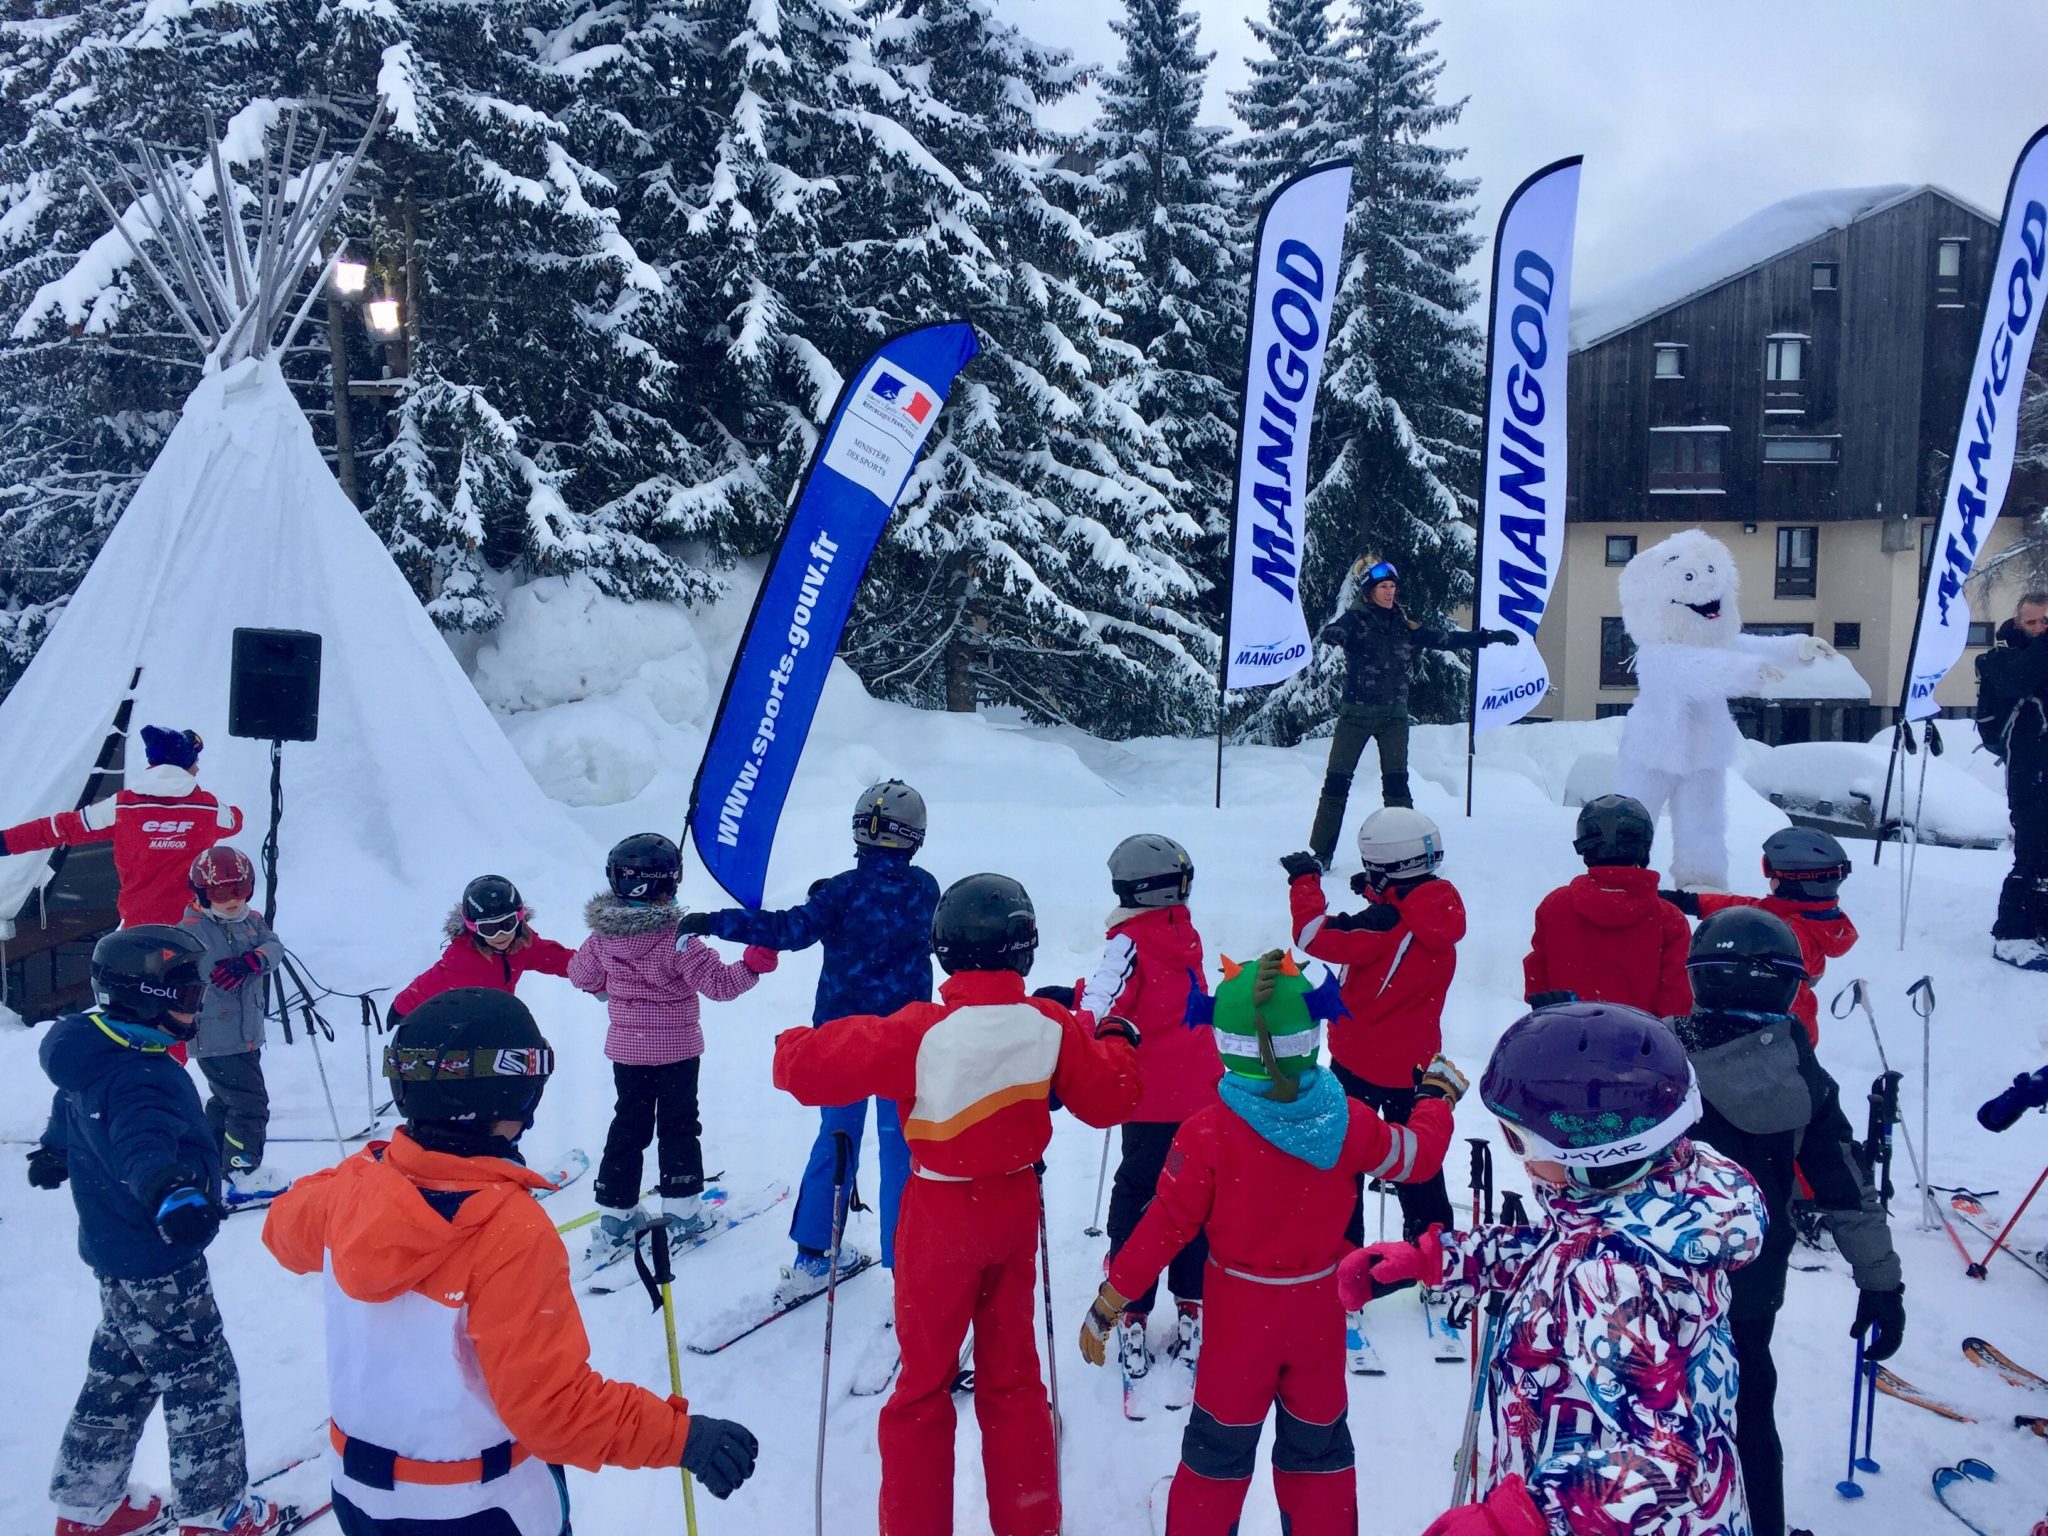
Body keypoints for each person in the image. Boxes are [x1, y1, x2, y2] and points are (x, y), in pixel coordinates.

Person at [263, 987, 759, 1534]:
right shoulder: (510, 1232)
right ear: (514, 1098)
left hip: (359, 1498)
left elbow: (283, 1231)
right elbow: (553, 1411)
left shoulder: (348, 1190)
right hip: (478, 1505)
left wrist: (375, 1168)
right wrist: (681, 1438)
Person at [770, 873, 1141, 1536]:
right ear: (1025, 950)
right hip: (1012, 1207)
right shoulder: (1048, 1025)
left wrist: (795, 1038)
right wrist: (1117, 1039)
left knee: (922, 1389)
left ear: (942, 950)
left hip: (939, 1215)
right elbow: (1112, 1097)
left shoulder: (920, 1031)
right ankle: (1029, 1523)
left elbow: (801, 1071)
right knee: (1014, 1381)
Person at [1342, 1001, 1765, 1536]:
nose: (1514, 1154)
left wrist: (1520, 1519)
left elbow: (1678, 1465)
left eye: (1518, 1139)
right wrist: (1442, 1258)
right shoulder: (1659, 1197)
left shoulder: (1612, 1278)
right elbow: (1561, 1251)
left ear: (1590, 1154)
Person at [1080, 947, 1465, 1535]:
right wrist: (1434, 1098)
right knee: (1319, 1456)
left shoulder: (1207, 1134)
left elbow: (1165, 1225)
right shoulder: (1347, 1120)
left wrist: (1114, 1297)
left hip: (1240, 1317)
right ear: (1312, 1032)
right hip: (1316, 1311)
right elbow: (1415, 1157)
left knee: (1216, 1454)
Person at [32, 926, 277, 1536]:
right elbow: (143, 1145)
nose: (196, 1008)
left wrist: (56, 1151)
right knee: (202, 1380)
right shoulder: (143, 1074)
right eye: (186, 998)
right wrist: (174, 1194)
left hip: (115, 1256)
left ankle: (90, 1509)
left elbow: (78, 1109)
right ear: (144, 1001)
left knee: (120, 1376)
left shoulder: (97, 1052)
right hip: (160, 1256)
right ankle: (216, 1513)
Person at [1672, 907, 1905, 1536]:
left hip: (1649, 1281)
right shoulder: (1800, 1075)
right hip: (1749, 1285)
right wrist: (1882, 1284)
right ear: (1786, 984)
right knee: (1748, 1411)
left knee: (1652, 1411)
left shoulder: (1655, 1055)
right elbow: (1846, 1189)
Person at [676, 779, 940, 1289]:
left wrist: (716, 921)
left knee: (836, 1140)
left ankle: (814, 1254)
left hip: (840, 1042)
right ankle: (906, 1264)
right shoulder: (924, 888)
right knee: (899, 1146)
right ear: (915, 837)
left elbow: (789, 930)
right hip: (903, 1044)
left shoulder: (841, 891)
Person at [567, 833, 776, 1264]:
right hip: (677, 1051)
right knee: (678, 1125)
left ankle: (616, 1217)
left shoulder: (602, 938)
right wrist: (752, 966)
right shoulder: (677, 938)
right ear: (669, 884)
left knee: (629, 1124)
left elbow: (581, 975)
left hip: (628, 1051)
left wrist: (608, 985)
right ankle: (683, 1211)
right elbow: (718, 985)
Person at [1282, 808, 1461, 1245]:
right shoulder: (1439, 909)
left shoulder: (1383, 925)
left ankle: (1343, 1255)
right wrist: (1378, 892)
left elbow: (1312, 935)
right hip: (1416, 1067)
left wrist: (1305, 881)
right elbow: (1405, 922)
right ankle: (1432, 1252)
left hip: (1360, 1063)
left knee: (1342, 1161)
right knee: (1418, 1164)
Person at [1082, 832, 1218, 1389]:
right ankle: (1191, 1303)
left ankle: (1133, 1304)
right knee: (1196, 1200)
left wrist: (1076, 1030)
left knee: (1140, 1195)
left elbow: (1099, 1004)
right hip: (1204, 1097)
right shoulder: (1184, 934)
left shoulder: (1128, 943)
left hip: (1151, 1099)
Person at [1306, 559, 1519, 866]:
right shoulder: (1356, 618)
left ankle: (1405, 851)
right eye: (1383, 587)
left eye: (1392, 586)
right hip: (1355, 716)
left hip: (1394, 717)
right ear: (1370, 592)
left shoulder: (1405, 626)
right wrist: (1335, 633)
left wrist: (1488, 637)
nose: (1389, 592)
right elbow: (1336, 629)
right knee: (1336, 785)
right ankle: (1321, 854)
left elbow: (1445, 640)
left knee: (1396, 787)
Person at [0, 724, 244, 928]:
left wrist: (6, 842)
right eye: (195, 761)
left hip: (137, 928)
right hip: (192, 927)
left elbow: (59, 828)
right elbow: (235, 821)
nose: (198, 767)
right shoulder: (208, 809)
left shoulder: (122, 806)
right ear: (186, 764)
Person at [1662, 827, 1856, 1045]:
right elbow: (1744, 908)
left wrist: (1794, 1049)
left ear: (1793, 878)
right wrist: (1690, 902)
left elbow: (1797, 1007)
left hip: (1762, 1050)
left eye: (1769, 871)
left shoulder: (1787, 937)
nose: (1768, 878)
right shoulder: (1812, 919)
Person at [177, 846, 284, 1200]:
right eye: (221, 894)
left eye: (240, 890)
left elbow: (274, 947)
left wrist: (253, 961)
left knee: (226, 1102)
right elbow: (192, 971)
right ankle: (241, 1170)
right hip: (216, 1035)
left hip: (246, 1033)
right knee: (250, 1104)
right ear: (202, 894)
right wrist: (221, 968)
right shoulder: (192, 930)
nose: (232, 901)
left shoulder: (251, 920)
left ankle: (210, 1165)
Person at [1522, 794, 1691, 1017]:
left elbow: (1537, 989)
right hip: (1642, 1046)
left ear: (1585, 848)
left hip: (1565, 1041)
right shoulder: (1669, 919)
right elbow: (1676, 1005)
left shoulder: (1555, 906)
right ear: (1644, 847)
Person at [388, 875, 574, 1025]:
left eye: (507, 924)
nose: (501, 935)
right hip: (467, 1027)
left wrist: (595, 970)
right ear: (473, 929)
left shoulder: (523, 944)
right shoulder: (462, 960)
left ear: (519, 920)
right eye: (489, 928)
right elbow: (428, 985)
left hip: (502, 1019)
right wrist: (400, 1008)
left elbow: (558, 959)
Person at [1975, 590, 2048, 969]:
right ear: (2018, 623)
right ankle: (2011, 934)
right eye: (2031, 622)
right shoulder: (1999, 659)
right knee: (2033, 853)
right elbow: (2023, 677)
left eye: (2045, 622)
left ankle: (2041, 927)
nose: (2038, 630)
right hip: (2029, 772)